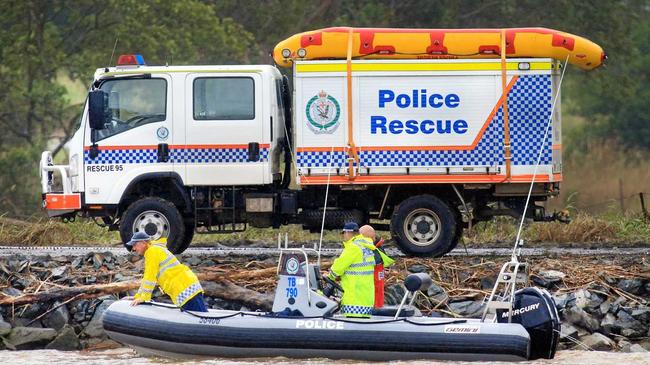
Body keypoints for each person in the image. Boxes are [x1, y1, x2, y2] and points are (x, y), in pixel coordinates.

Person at [126, 232, 208, 312]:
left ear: (143, 243)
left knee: (199, 316)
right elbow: (146, 279)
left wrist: (144, 298)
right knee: (198, 314)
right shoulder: (154, 250)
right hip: (186, 287)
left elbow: (150, 278)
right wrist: (138, 296)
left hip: (185, 289)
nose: (133, 248)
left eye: (135, 245)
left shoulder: (152, 252)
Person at [327, 222, 377, 318]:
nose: (344, 236)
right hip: (367, 299)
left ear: (348, 233)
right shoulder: (367, 247)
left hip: (354, 299)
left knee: (351, 325)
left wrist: (330, 276)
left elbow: (338, 267)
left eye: (344, 233)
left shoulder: (353, 247)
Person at [359, 225, 395, 309]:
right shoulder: (378, 247)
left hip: (371, 303)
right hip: (377, 299)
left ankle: (376, 309)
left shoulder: (372, 250)